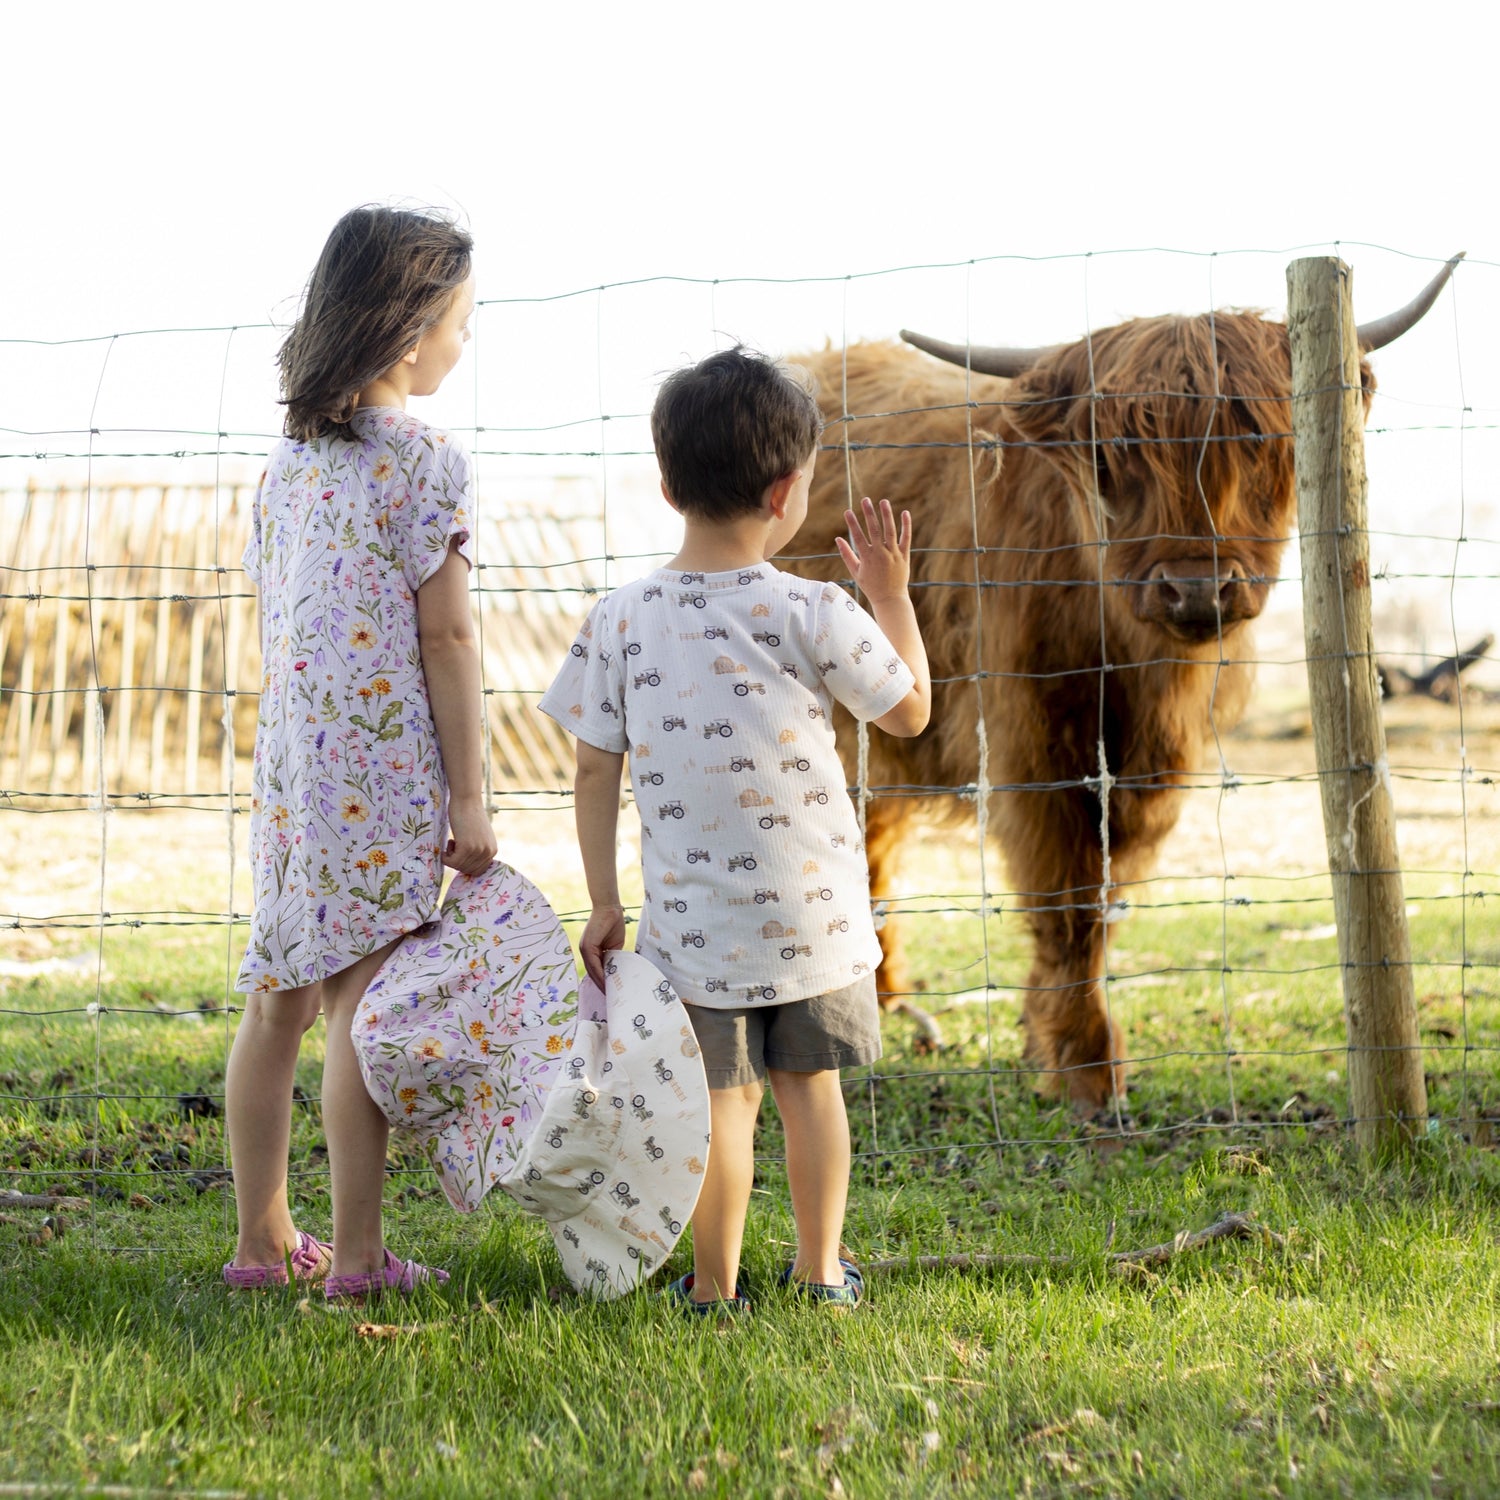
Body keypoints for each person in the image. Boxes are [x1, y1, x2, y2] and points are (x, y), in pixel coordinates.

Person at [539, 346, 931, 1312]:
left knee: (723, 1108)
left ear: (667, 486)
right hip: (815, 921)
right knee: (811, 1091)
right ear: (789, 492)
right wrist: (890, 596)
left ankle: (714, 1287)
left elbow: (592, 767)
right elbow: (911, 712)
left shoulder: (620, 619)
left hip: (694, 928)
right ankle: (821, 1273)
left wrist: (603, 902)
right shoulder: (817, 610)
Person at [224, 206, 496, 1301]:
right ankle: (359, 1260)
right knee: (359, 1009)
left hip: (292, 779)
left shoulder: (285, 467)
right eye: (461, 323)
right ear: (409, 333)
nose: (464, 343)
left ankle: (260, 1243)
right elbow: (448, 638)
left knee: (277, 1001)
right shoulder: (427, 462)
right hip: (377, 779)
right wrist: (470, 798)